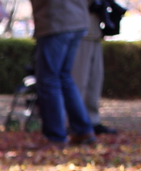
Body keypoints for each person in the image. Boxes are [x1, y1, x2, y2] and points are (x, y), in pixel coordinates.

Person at [29, 0, 97, 146]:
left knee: (49, 80)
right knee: (63, 77)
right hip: (77, 20)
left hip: (56, 20)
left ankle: (56, 136)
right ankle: (82, 131)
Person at [71, 1, 117, 135]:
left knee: (94, 81)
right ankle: (75, 122)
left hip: (95, 32)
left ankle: (92, 120)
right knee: (79, 81)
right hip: (80, 32)